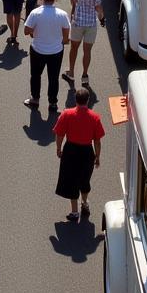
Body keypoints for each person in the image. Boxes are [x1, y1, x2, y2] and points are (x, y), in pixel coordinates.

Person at [54, 87, 105, 221]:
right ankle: (85, 203)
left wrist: (58, 149)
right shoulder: (95, 117)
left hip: (71, 150)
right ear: (88, 100)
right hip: (87, 152)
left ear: (75, 100)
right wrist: (97, 156)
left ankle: (74, 212)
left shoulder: (66, 114)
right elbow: (97, 140)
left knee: (71, 180)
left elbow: (59, 134)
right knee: (84, 179)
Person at [23, 0, 70, 112]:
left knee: (36, 75)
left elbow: (26, 31)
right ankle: (53, 102)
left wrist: (34, 32)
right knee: (53, 77)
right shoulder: (62, 14)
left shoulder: (35, 13)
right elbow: (66, 30)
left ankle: (35, 99)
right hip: (56, 51)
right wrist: (64, 40)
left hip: (38, 50)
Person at [64, 0, 104, 87]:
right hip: (91, 24)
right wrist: (102, 18)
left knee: (74, 48)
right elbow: (99, 9)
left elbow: (73, 3)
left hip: (78, 23)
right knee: (87, 51)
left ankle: (71, 72)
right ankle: (85, 75)